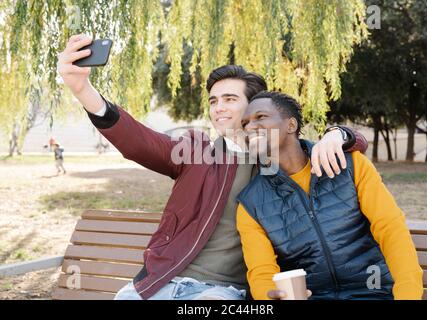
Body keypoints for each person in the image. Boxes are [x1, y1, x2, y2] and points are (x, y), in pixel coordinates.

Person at [57, 34, 369, 300]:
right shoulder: (194, 152)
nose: (218, 107)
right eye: (213, 100)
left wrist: (340, 135)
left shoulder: (277, 160)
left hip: (221, 293)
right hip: (158, 286)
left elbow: (325, 149)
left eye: (229, 99)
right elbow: (138, 141)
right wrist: (83, 90)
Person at [236, 91, 423, 300]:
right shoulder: (250, 203)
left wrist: (408, 294)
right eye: (245, 124)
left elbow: (390, 229)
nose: (250, 127)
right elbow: (262, 274)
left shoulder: (350, 165)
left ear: (291, 125)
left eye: (260, 117)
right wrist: (270, 296)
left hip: (374, 291)